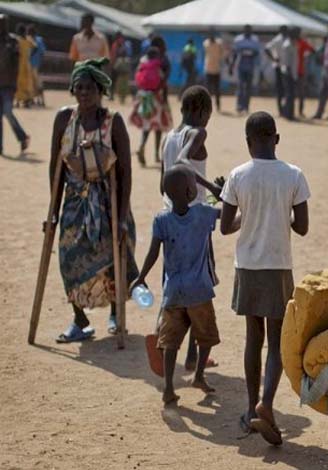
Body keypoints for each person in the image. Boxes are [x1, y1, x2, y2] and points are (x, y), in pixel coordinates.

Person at [219, 112, 310, 444]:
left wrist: (248, 210)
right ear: (277, 138)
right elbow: (302, 227)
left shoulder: (237, 176)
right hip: (278, 265)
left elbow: (226, 226)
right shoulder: (294, 175)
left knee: (252, 338)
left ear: (247, 142)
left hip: (247, 266)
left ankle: (249, 408)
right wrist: (278, 209)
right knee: (276, 340)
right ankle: (266, 403)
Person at [49, 58, 138, 342]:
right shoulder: (65, 119)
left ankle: (115, 312)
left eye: (89, 88)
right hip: (75, 203)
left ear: (100, 90)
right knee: (68, 258)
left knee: (113, 259)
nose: (84, 93)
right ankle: (80, 320)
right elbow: (55, 167)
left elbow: (125, 172)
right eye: (79, 87)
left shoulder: (114, 123)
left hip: (108, 203)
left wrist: (122, 217)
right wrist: (52, 211)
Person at [133, 166, 225, 406]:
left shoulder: (162, 220)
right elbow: (225, 215)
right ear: (189, 191)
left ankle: (169, 387)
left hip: (173, 292)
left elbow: (153, 252)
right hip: (199, 291)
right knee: (204, 336)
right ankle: (199, 376)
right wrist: (224, 193)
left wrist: (141, 276)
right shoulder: (203, 214)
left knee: (170, 342)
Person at [159, 85, 224, 372]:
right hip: (194, 221)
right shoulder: (196, 133)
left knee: (176, 284)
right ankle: (193, 357)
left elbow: (165, 181)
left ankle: (173, 350)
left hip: (171, 215)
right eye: (208, 114)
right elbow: (185, 162)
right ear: (201, 110)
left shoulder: (167, 137)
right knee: (198, 287)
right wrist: (212, 188)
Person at [130, 37, 173, 166]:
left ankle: (142, 145)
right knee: (158, 126)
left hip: (144, 97)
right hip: (158, 97)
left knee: (146, 125)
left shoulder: (144, 59)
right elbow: (165, 79)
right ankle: (156, 154)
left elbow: (138, 78)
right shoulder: (162, 60)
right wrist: (162, 96)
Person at [0, 15, 29, 155]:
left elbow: (17, 63)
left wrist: (15, 82)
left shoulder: (13, 42)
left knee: (7, 111)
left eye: (2, 24)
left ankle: (22, 136)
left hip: (8, 85)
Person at [231, 25, 261, 115]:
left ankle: (246, 106)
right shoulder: (238, 39)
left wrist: (251, 53)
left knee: (248, 88)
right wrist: (231, 65)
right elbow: (235, 53)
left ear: (251, 31)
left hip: (250, 66)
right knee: (240, 86)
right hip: (241, 66)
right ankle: (239, 106)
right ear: (244, 30)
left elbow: (257, 52)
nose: (248, 32)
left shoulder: (255, 40)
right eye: (246, 30)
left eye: (249, 30)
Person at [265, 26, 288, 116]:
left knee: (285, 90)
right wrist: (274, 59)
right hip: (279, 67)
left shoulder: (287, 39)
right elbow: (266, 48)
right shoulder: (278, 39)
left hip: (286, 67)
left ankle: (284, 109)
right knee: (280, 90)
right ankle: (280, 110)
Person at [294, 28, 314, 118]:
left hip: (300, 71)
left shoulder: (302, 42)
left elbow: (312, 50)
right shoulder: (292, 42)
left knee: (301, 93)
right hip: (292, 71)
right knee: (291, 92)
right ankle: (290, 111)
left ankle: (300, 111)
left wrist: (306, 56)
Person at [13, 24, 35, 107]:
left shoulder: (17, 40)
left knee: (21, 83)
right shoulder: (26, 40)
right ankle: (20, 101)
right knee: (24, 83)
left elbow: (34, 47)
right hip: (25, 64)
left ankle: (23, 101)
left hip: (21, 64)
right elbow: (35, 47)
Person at [203, 29, 224, 112]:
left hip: (216, 70)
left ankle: (218, 106)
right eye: (210, 35)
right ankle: (207, 107)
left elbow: (222, 54)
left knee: (217, 90)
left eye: (212, 35)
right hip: (208, 69)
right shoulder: (206, 43)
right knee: (208, 90)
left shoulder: (219, 43)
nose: (211, 37)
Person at [109, 31, 131, 105]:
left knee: (117, 81)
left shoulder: (119, 44)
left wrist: (112, 64)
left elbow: (114, 55)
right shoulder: (121, 44)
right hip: (120, 65)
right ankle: (118, 96)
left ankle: (115, 95)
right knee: (119, 82)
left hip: (119, 65)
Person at [27, 25, 45, 107]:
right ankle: (33, 100)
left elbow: (42, 53)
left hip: (36, 65)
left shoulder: (39, 40)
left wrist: (41, 64)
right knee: (31, 84)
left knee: (38, 84)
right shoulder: (27, 40)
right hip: (29, 66)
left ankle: (41, 100)